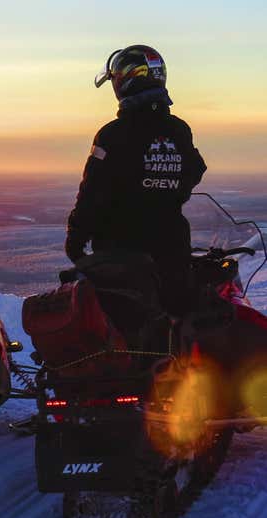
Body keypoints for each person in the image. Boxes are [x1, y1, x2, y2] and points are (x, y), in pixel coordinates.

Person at [65, 45, 207, 316]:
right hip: (172, 251)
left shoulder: (112, 135)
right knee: (176, 327)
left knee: (119, 339)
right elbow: (194, 169)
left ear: (124, 82)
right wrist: (163, 186)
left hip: (121, 256)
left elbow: (92, 191)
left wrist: (75, 237)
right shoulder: (179, 130)